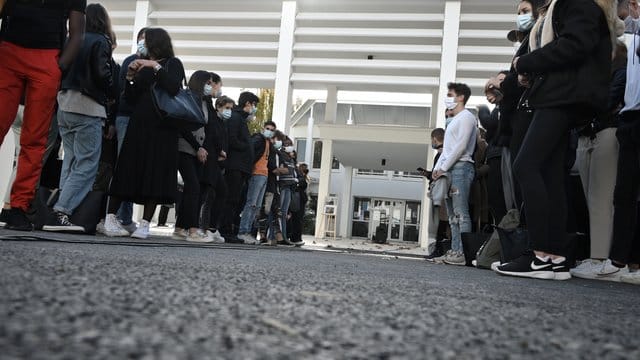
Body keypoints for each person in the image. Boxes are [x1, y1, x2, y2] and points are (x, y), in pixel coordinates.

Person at [495, 0, 616, 280]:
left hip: (563, 96)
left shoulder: (577, 3)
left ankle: (539, 254)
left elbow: (575, 45)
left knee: (526, 166)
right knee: (550, 174)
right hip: (561, 94)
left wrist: (525, 62)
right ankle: (555, 257)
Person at [0, 0, 86, 231]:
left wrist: (59, 67)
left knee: (35, 138)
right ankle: (17, 206)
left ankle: (18, 207)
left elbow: (78, 33)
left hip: (47, 59)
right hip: (9, 51)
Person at [103, 27, 186, 239]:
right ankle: (110, 217)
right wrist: (130, 77)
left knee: (155, 174)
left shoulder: (172, 64)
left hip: (164, 129)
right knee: (127, 169)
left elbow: (173, 87)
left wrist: (155, 66)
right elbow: (130, 98)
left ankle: (145, 223)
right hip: (139, 125)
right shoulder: (140, 64)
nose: (142, 45)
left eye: (146, 41)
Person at [42, 3, 114, 232]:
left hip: (65, 104)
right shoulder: (101, 41)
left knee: (71, 161)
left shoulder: (72, 39)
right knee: (87, 164)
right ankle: (62, 210)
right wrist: (113, 86)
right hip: (88, 106)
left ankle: (58, 209)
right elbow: (102, 75)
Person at [571, 40, 627, 280]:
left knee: (601, 199)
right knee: (590, 197)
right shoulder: (592, 76)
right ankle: (596, 256)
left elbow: (604, 102)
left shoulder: (621, 74)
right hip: (586, 135)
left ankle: (601, 258)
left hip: (606, 133)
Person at [608, 0, 640, 285]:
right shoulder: (631, 34)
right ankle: (621, 261)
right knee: (624, 195)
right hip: (629, 117)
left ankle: (631, 261)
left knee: (631, 195)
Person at [432, 83, 477, 266]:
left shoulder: (467, 117)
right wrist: (439, 168)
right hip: (451, 170)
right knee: (452, 216)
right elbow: (447, 150)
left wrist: (444, 166)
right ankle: (454, 250)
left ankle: (463, 253)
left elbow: (460, 147)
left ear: (460, 97)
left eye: (450, 94)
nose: (448, 97)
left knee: (461, 214)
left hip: (461, 167)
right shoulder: (453, 121)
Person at [108, 27, 148, 235]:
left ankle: (124, 216)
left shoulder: (154, 64)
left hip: (141, 120)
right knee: (124, 166)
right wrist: (113, 121)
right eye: (141, 39)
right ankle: (117, 216)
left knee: (134, 168)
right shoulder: (130, 62)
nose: (143, 43)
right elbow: (120, 91)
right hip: (125, 117)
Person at [172, 70, 219, 243]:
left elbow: (208, 128)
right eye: (208, 83)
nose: (210, 87)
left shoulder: (205, 102)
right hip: (185, 147)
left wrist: (203, 149)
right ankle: (192, 229)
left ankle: (179, 228)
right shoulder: (187, 97)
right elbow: (183, 126)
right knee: (193, 187)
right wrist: (197, 147)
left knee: (193, 189)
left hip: (198, 151)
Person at [220, 91, 259, 242]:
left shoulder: (240, 119)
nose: (254, 108)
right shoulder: (236, 118)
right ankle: (225, 230)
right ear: (248, 104)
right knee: (231, 199)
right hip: (235, 166)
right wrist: (245, 146)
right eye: (254, 105)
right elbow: (232, 139)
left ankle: (228, 229)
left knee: (235, 200)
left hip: (240, 167)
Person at [237, 121, 277, 244]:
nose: (269, 131)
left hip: (264, 175)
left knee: (257, 206)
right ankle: (243, 232)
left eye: (271, 129)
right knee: (251, 204)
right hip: (256, 174)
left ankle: (247, 232)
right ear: (263, 128)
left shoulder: (268, 143)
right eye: (267, 128)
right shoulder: (258, 139)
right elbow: (250, 153)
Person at [199, 95, 231, 243]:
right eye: (227, 108)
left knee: (219, 192)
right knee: (208, 194)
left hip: (218, 162)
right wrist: (220, 151)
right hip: (211, 159)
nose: (229, 111)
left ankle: (210, 228)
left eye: (230, 108)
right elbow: (213, 137)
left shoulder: (223, 123)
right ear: (218, 107)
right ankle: (204, 228)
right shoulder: (214, 120)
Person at [424, 127, 451, 261]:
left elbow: (439, 173)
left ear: (435, 139)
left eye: (432, 140)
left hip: (443, 192)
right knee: (442, 221)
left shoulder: (442, 153)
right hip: (444, 190)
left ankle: (439, 249)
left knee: (441, 222)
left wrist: (430, 175)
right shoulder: (444, 152)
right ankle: (440, 249)